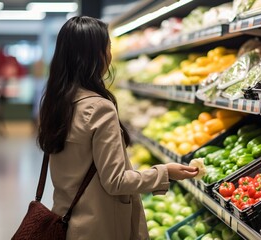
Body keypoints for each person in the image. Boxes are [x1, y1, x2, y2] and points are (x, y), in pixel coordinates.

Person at [37, 16, 199, 240]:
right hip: (100, 227)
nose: (110, 55)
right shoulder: (99, 108)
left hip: (67, 221)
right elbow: (116, 182)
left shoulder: (57, 102)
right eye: (108, 47)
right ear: (94, 56)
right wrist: (165, 172)